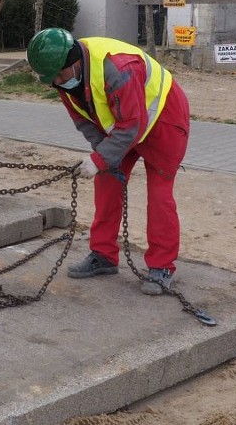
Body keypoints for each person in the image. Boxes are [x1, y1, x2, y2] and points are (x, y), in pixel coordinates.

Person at [27, 28, 190, 295]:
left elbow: (132, 124)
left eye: (60, 74)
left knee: (160, 194)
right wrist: (101, 158)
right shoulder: (61, 78)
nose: (57, 81)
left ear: (75, 62)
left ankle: (161, 266)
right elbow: (83, 120)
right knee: (106, 181)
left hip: (163, 120)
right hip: (123, 121)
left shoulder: (117, 68)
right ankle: (103, 256)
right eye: (51, 78)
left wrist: (101, 157)